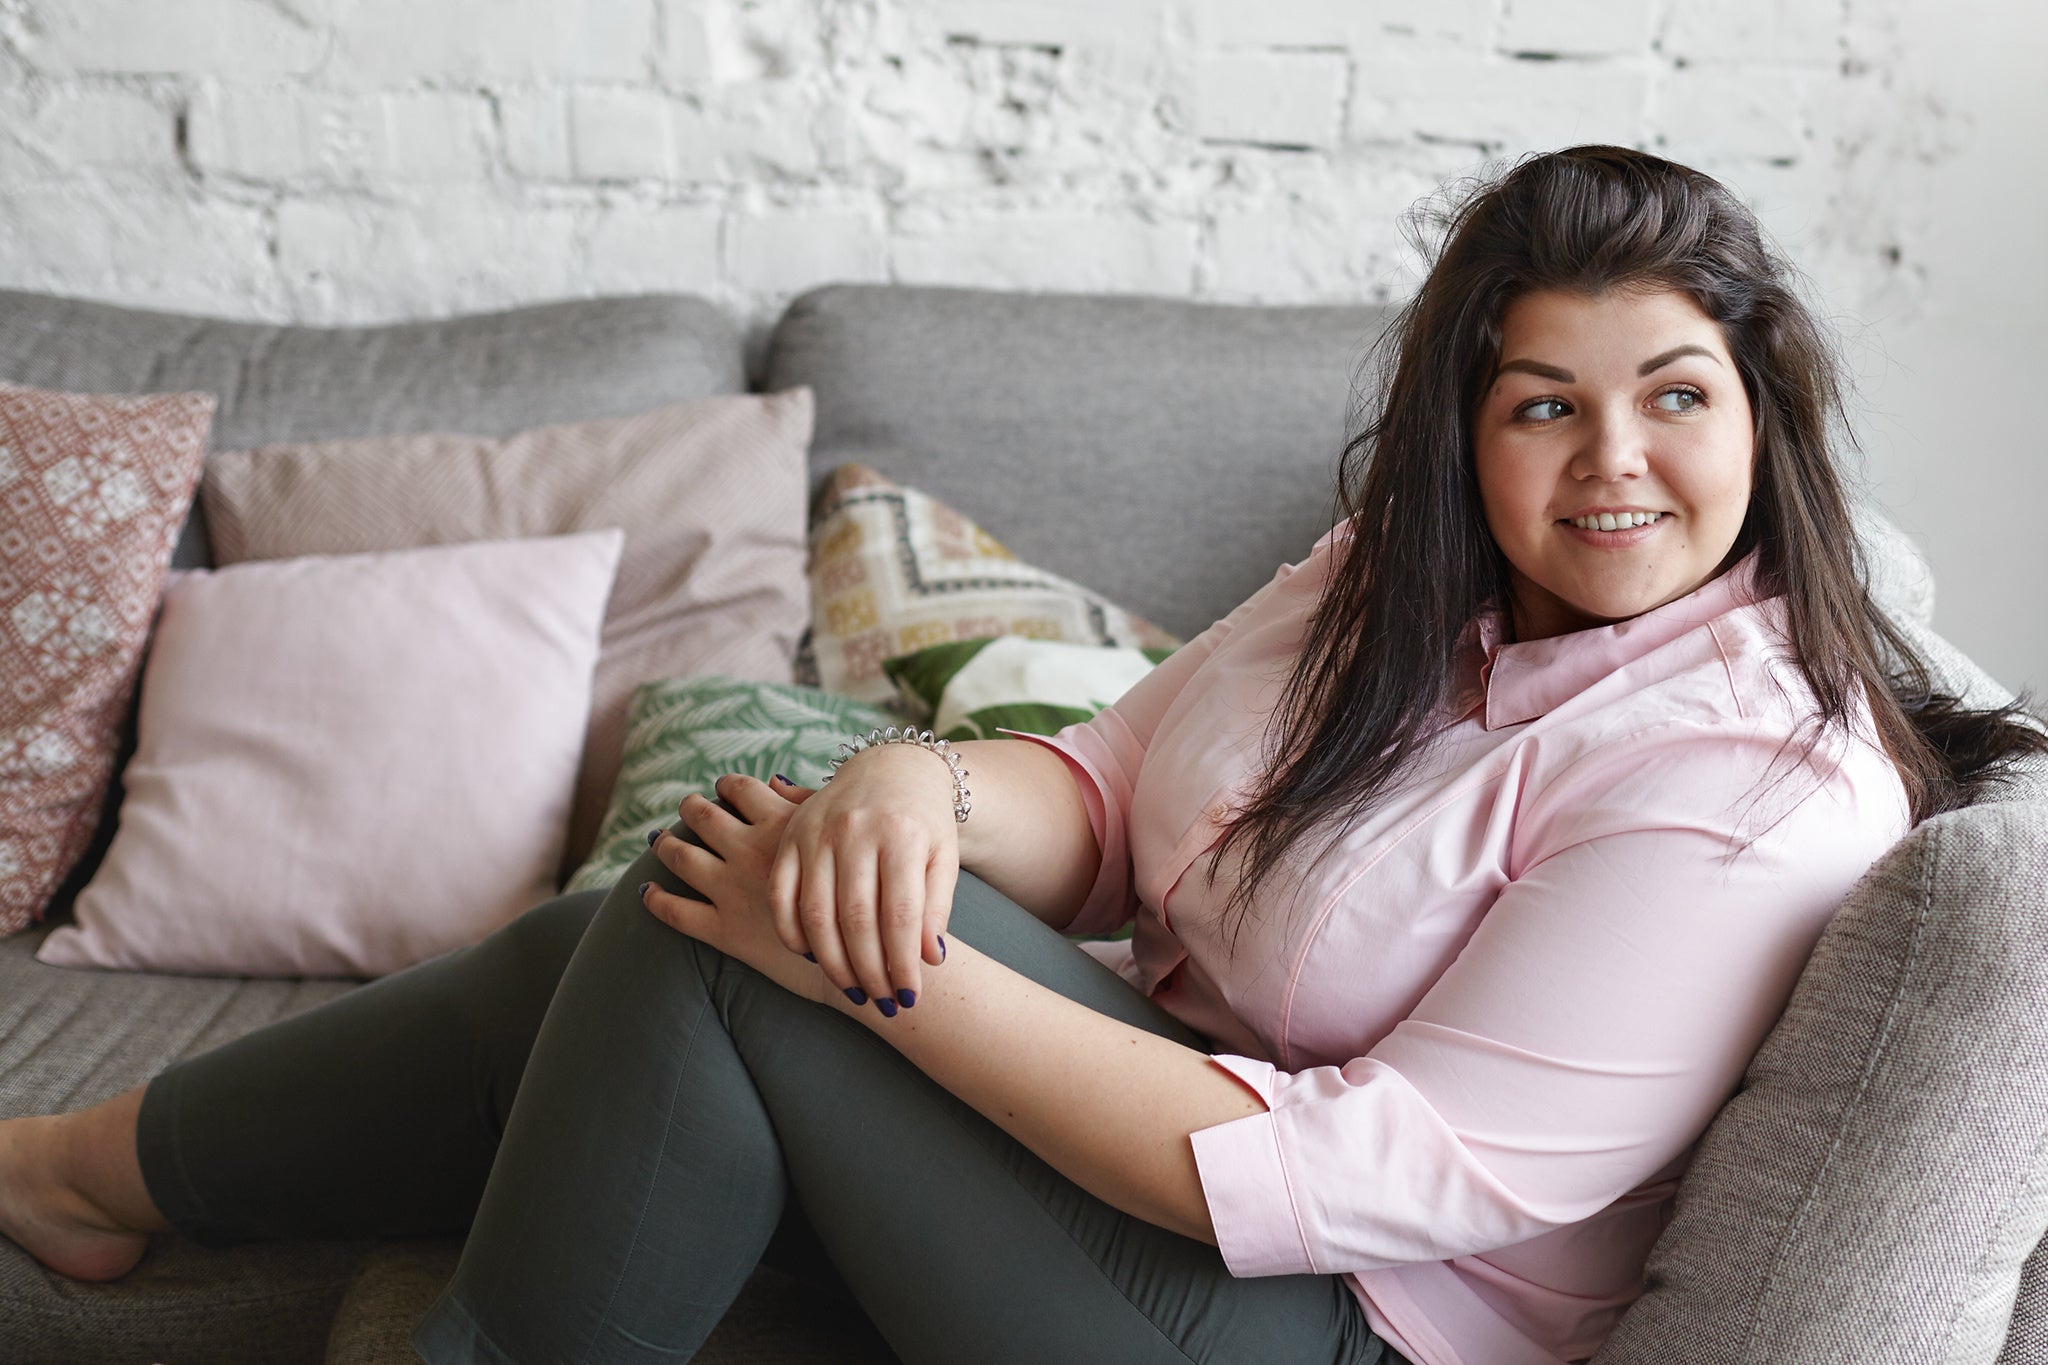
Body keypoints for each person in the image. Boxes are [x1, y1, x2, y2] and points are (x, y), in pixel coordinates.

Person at [2, 145, 2042, 1365]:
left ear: (1764, 411)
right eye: (1540, 405)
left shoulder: (1749, 776)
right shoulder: (1400, 584)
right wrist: (907, 795)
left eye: (1671, 394)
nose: (1612, 464)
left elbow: (1360, 1171)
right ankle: (85, 1172)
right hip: (1157, 1154)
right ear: (1464, 430)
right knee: (723, 871)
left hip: (1335, 1315)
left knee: (740, 931)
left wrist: (881, 969)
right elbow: (1105, 778)